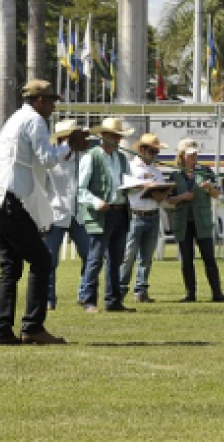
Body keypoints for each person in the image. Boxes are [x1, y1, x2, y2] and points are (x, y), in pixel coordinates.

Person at [0, 79, 86, 345]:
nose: (52, 106)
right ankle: (33, 327)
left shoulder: (15, 119)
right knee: (42, 260)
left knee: (10, 267)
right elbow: (46, 159)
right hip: (7, 200)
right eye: (50, 101)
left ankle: (2, 330)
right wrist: (70, 145)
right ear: (39, 101)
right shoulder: (35, 120)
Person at [77, 117, 135, 313]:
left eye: (118, 136)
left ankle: (113, 301)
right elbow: (81, 189)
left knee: (116, 260)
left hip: (120, 212)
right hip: (101, 214)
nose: (116, 140)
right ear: (103, 136)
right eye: (112, 136)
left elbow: (127, 183)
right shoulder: (90, 157)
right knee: (95, 258)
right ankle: (88, 300)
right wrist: (96, 202)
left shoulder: (122, 159)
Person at [167, 139, 224, 302]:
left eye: (195, 154)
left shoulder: (205, 170)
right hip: (183, 222)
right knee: (187, 258)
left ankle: (217, 293)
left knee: (209, 257)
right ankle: (190, 294)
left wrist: (209, 188)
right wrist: (182, 197)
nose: (194, 157)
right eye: (190, 154)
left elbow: (217, 194)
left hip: (202, 221)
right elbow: (168, 200)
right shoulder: (174, 174)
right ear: (182, 156)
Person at [41, 119, 90, 312]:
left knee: (90, 256)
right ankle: (48, 299)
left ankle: (84, 295)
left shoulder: (83, 158)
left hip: (78, 214)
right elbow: (42, 188)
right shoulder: (50, 160)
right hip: (55, 214)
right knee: (50, 260)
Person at [120, 133, 171, 304]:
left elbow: (163, 191)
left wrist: (161, 194)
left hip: (153, 214)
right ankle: (120, 289)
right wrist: (144, 185)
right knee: (129, 256)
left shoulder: (156, 170)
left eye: (156, 152)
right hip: (136, 215)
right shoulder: (130, 167)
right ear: (142, 150)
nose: (155, 155)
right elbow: (126, 186)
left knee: (147, 257)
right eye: (152, 151)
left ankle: (141, 290)